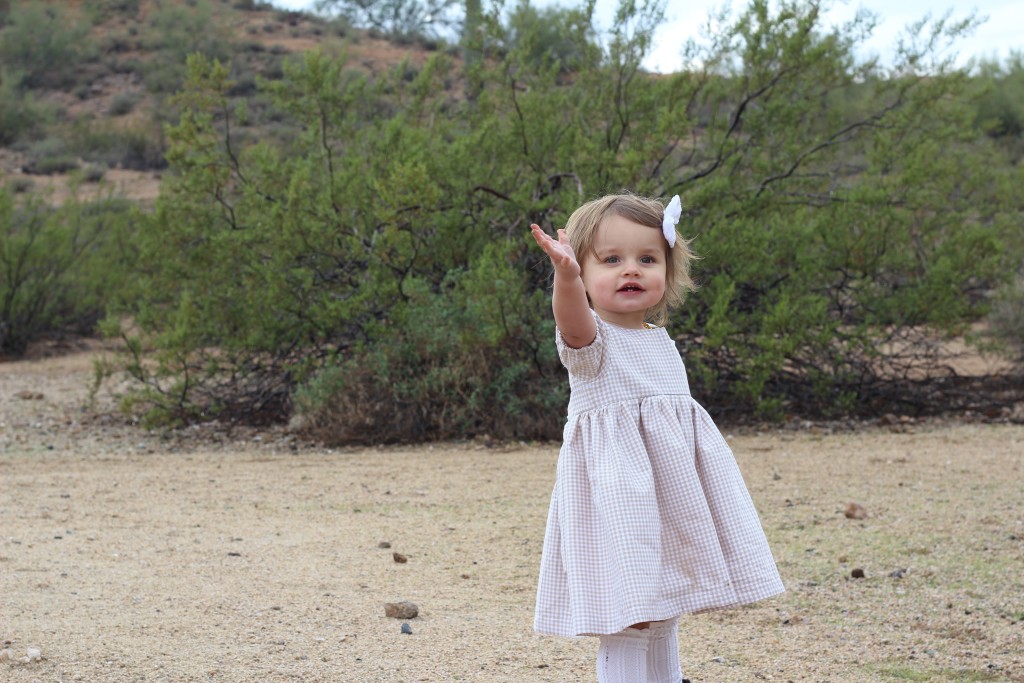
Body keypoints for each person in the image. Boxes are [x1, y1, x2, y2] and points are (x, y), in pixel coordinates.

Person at [529, 192, 785, 683]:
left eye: (647, 259)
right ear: (584, 271)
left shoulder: (659, 340)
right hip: (621, 497)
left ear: (668, 270)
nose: (631, 270)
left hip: (671, 497)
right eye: (610, 260)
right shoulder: (592, 344)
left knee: (665, 604)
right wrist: (566, 278)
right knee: (632, 611)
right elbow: (572, 322)